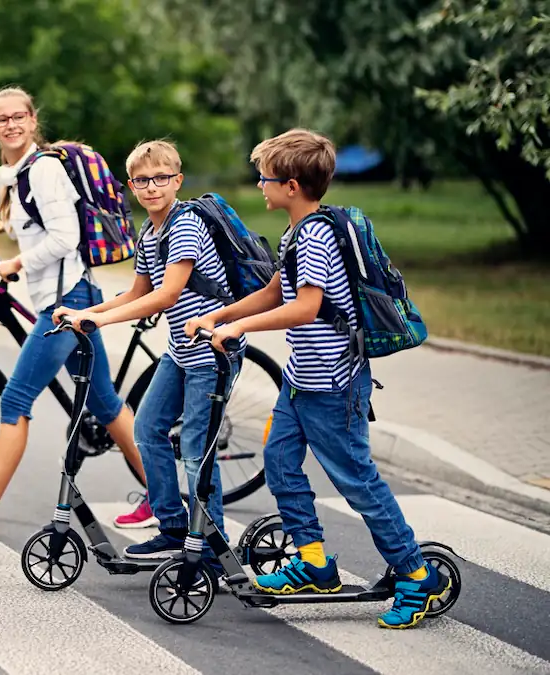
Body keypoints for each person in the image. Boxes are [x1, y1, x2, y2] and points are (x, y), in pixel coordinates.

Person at [185, 128, 451, 629]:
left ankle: (417, 576)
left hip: (333, 382)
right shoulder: (296, 231)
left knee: (356, 480)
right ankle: (313, 563)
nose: (258, 185)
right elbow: (272, 292)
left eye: (263, 178)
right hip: (300, 379)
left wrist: (237, 327)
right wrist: (222, 316)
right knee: (280, 462)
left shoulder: (314, 236)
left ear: (290, 185)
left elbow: (306, 308)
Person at [0, 86, 146, 538]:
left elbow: (64, 238)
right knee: (104, 403)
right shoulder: (19, 172)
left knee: (16, 400)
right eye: (1, 119)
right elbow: (36, 221)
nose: (11, 124)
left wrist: (16, 262)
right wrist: (0, 225)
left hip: (65, 304)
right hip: (71, 296)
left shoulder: (43, 170)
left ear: (32, 119)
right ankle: (169, 501)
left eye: (18, 116)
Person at [58, 139, 242, 560]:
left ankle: (211, 548)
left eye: (161, 178)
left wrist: (99, 321)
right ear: (131, 186)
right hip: (181, 352)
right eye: (143, 180)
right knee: (146, 430)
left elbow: (166, 296)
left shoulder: (185, 226)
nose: (152, 187)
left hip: (214, 353)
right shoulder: (150, 230)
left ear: (177, 180)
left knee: (197, 452)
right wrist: (85, 311)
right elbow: (139, 290)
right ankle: (174, 528)